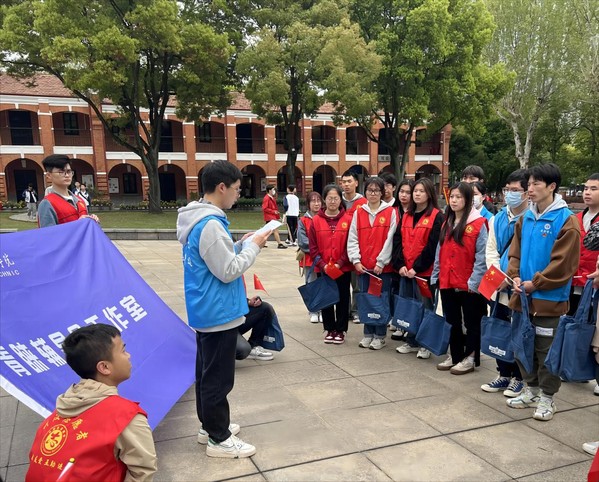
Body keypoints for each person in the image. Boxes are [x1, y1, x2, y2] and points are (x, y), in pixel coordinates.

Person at [176, 159, 270, 458]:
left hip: (207, 309)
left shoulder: (199, 219)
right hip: (218, 312)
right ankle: (219, 438)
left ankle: (210, 426)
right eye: (237, 189)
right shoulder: (211, 224)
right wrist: (253, 247)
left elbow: (217, 260)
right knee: (218, 379)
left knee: (207, 374)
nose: (238, 194)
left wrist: (239, 244)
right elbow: (228, 271)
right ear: (221, 187)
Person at [25, 324, 157, 482]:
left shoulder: (58, 413)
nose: (128, 356)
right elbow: (143, 471)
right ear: (104, 367)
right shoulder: (126, 417)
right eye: (123, 350)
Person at [506, 163, 580, 421]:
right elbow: (514, 252)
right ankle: (531, 390)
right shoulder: (526, 218)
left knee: (546, 351)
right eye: (529, 184)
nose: (530, 189)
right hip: (522, 297)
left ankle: (547, 397)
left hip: (549, 299)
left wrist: (535, 283)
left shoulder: (566, 220)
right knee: (522, 345)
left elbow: (563, 263)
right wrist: (515, 276)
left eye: (536, 183)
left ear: (552, 186)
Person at [431, 182, 488, 375]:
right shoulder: (447, 223)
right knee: (452, 320)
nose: (454, 201)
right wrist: (436, 275)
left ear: (468, 199)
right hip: (447, 280)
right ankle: (455, 355)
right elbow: (440, 251)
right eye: (452, 197)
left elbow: (482, 257)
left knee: (472, 322)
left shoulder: (479, 223)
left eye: (459, 197)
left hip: (468, 283)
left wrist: (474, 281)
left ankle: (470, 357)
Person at [481, 169, 529, 397]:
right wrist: (498, 275)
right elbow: (491, 249)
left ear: (527, 192)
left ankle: (519, 377)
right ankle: (503, 373)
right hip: (498, 283)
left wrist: (511, 277)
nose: (510, 194)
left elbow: (525, 255)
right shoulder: (498, 217)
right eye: (507, 189)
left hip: (519, 284)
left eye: (515, 190)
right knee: (499, 326)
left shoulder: (530, 219)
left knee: (518, 330)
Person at [393, 177, 443, 359]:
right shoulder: (407, 215)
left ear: (429, 194)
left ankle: (425, 344)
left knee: (426, 307)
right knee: (409, 306)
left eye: (422, 191)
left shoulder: (437, 216)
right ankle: (412, 340)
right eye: (415, 191)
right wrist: (400, 265)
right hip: (406, 271)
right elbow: (397, 241)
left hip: (424, 273)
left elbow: (433, 246)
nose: (417, 194)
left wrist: (417, 267)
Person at [347, 177, 398, 350]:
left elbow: (391, 239)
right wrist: (356, 260)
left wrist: (381, 262)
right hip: (363, 267)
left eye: (377, 190)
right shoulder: (359, 212)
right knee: (366, 300)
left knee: (380, 301)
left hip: (381, 269)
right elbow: (352, 238)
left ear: (382, 192)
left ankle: (380, 335)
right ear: (365, 191)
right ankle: (368, 333)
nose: (373, 193)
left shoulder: (390, 212)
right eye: (370, 190)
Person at [309, 184, 353, 344]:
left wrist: (340, 263)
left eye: (336, 198)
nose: (332, 201)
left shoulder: (348, 220)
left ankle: (340, 330)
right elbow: (313, 247)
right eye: (329, 198)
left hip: (343, 268)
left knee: (342, 298)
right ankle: (329, 329)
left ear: (341, 200)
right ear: (324, 200)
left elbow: (350, 245)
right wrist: (323, 265)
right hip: (324, 268)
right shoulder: (316, 221)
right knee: (326, 298)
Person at [37, 154, 99, 227]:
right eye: (61, 172)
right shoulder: (47, 204)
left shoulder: (79, 200)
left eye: (69, 171)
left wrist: (91, 220)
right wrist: (77, 224)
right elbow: (48, 233)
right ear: (49, 175)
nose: (67, 175)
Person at [569, 173, 599, 314]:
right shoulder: (574, 219)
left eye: (593, 189)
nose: (587, 192)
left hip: (594, 285)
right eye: (586, 188)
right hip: (573, 283)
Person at [340, 170, 367, 323]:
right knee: (342, 285)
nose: (346, 185)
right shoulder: (338, 201)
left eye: (349, 181)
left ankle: (356, 311)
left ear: (356, 183)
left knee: (357, 285)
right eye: (344, 182)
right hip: (340, 251)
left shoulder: (363, 203)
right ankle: (345, 311)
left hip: (357, 250)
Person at [390, 179, 414, 340]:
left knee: (411, 296)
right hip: (396, 259)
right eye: (402, 191)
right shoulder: (392, 211)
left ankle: (409, 326)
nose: (404, 195)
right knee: (397, 293)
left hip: (412, 262)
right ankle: (398, 323)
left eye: (408, 192)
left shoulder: (416, 212)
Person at [297, 191, 323, 323]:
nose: (316, 204)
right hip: (310, 259)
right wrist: (318, 248)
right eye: (313, 201)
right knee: (312, 284)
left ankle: (323, 309)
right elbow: (302, 241)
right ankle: (313, 310)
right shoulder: (303, 220)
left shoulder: (325, 218)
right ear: (308, 204)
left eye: (318, 201)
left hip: (324, 259)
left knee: (323, 284)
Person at [235, 296, 277, 361]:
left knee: (264, 308)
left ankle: (253, 345)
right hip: (220, 328)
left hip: (234, 321)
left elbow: (235, 297)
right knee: (243, 350)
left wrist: (249, 302)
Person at [262, 184, 287, 249]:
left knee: (267, 231)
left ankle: (262, 243)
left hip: (271, 216)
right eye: (273, 189)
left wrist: (277, 216)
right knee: (275, 230)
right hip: (270, 217)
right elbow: (265, 208)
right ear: (269, 190)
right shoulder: (267, 198)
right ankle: (279, 244)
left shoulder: (271, 198)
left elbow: (273, 208)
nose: (274, 191)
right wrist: (274, 212)